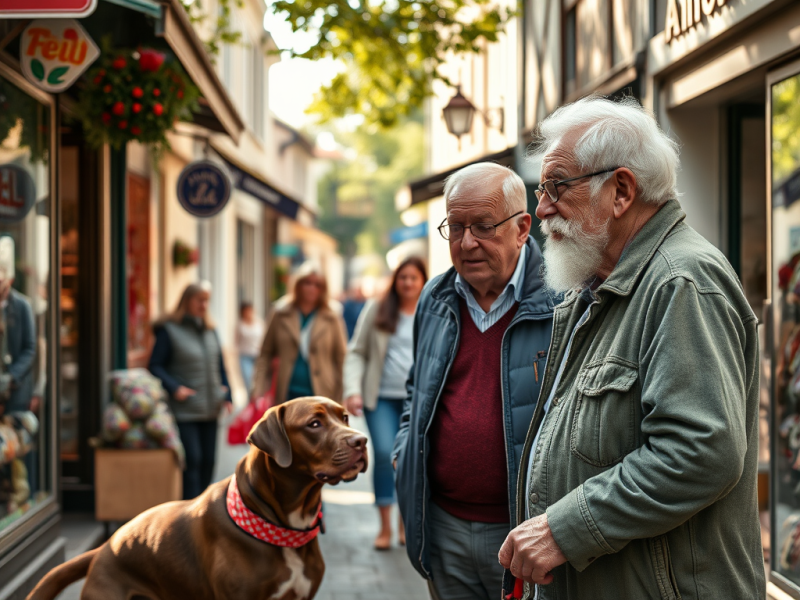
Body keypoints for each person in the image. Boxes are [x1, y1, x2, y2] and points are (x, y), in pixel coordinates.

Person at [498, 96, 766, 600]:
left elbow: (701, 451)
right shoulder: (602, 283)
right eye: (541, 189)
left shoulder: (680, 281)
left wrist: (562, 530)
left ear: (621, 190)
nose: (541, 208)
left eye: (557, 186)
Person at [393, 163, 555, 600]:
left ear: (523, 228)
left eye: (483, 226)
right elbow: (417, 389)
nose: (467, 243)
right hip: (442, 526)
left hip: (525, 532)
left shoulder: (563, 301)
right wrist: (403, 451)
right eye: (456, 226)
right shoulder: (435, 296)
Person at [343, 257, 428, 550]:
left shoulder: (432, 310)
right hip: (379, 397)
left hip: (416, 398)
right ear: (395, 280)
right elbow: (356, 351)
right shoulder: (378, 309)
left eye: (413, 278)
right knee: (382, 453)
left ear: (422, 281)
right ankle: (384, 527)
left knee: (408, 459)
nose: (407, 283)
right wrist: (352, 390)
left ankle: (405, 524)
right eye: (402, 277)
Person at [148, 282, 232, 500]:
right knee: (192, 460)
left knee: (209, 461)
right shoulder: (170, 331)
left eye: (207, 300)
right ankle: (189, 513)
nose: (204, 305)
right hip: (185, 408)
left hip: (211, 407)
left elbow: (220, 364)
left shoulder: (211, 330)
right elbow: (155, 364)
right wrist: (175, 388)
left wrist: (227, 393)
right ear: (187, 301)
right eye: (199, 300)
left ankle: (203, 509)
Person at [252, 263, 347, 404]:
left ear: (323, 289)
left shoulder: (332, 316)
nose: (311, 288)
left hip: (323, 393)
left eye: (317, 285)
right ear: (297, 284)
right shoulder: (280, 313)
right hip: (286, 392)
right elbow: (265, 353)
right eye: (307, 283)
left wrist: (343, 393)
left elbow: (341, 357)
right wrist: (257, 388)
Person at [235, 302, 264, 392]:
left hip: (258, 356)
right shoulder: (240, 325)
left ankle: (257, 401)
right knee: (248, 380)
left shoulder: (259, 323)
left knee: (259, 381)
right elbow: (236, 341)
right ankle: (250, 400)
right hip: (245, 356)